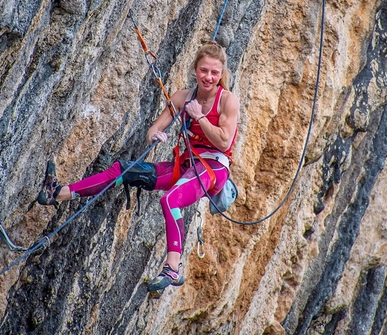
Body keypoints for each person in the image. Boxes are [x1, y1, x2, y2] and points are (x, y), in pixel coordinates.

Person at [37, 42, 239, 292]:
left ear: (221, 74)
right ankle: (58, 193)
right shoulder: (182, 97)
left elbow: (224, 140)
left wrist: (198, 116)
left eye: (214, 73)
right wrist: (155, 135)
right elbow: (153, 129)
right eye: (204, 71)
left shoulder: (227, 101)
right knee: (124, 169)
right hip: (187, 165)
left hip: (213, 170)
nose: (209, 77)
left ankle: (172, 268)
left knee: (170, 200)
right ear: (195, 70)